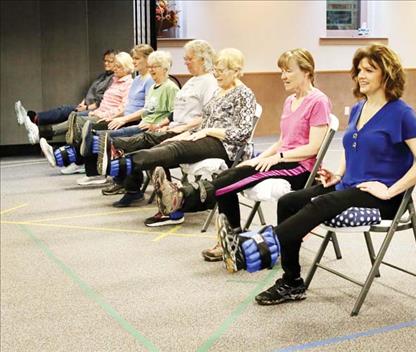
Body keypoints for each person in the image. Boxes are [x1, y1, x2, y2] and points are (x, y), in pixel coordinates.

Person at [216, 44, 416, 306]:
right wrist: (339, 173)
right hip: (348, 186)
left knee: (322, 204)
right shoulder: (358, 109)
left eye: (369, 70)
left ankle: (254, 247)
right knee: (290, 201)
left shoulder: (401, 113)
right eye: (358, 70)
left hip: (382, 197)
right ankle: (292, 281)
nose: (361, 75)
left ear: (387, 74)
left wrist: (390, 191)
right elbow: (353, 145)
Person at [148, 48, 331, 254]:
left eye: (288, 71)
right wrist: (257, 159)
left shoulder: (319, 101)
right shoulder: (290, 101)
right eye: (281, 71)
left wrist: (276, 159)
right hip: (280, 159)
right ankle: (231, 236)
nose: (283, 76)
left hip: (300, 167)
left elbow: (313, 148)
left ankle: (184, 197)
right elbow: (282, 141)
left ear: (306, 71)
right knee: (229, 176)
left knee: (232, 180)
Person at [100, 48, 257, 212]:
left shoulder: (244, 94)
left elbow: (242, 134)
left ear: (236, 71)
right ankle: (170, 206)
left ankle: (120, 164)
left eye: (221, 71)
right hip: (204, 137)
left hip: (226, 146)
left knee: (176, 149)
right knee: (163, 147)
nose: (216, 74)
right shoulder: (219, 91)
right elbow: (204, 122)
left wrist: (208, 131)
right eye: (215, 70)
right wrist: (182, 134)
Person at [95, 39, 218, 196]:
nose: (185, 62)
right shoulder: (192, 80)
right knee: (147, 145)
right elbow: (175, 111)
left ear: (202, 59)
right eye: (185, 58)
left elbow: (206, 116)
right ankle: (120, 164)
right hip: (172, 127)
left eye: (189, 58)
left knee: (147, 141)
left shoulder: (208, 82)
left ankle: (115, 149)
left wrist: (182, 127)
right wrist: (165, 123)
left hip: (187, 132)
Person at [78, 50, 179, 184]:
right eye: (150, 67)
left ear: (165, 68)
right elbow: (146, 110)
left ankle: (93, 145)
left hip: (152, 129)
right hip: (143, 123)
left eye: (155, 66)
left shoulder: (170, 88)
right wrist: (123, 118)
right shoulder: (154, 87)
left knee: (116, 137)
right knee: (112, 136)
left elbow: (174, 114)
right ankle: (94, 145)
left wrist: (158, 125)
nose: (152, 70)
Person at [15, 49, 116, 144]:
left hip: (96, 109)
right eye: (105, 61)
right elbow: (91, 92)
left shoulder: (113, 79)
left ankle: (37, 125)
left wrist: (86, 108)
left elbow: (103, 101)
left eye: (109, 61)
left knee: (69, 112)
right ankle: (34, 119)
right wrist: (83, 102)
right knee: (65, 109)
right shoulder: (102, 76)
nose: (106, 63)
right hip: (86, 106)